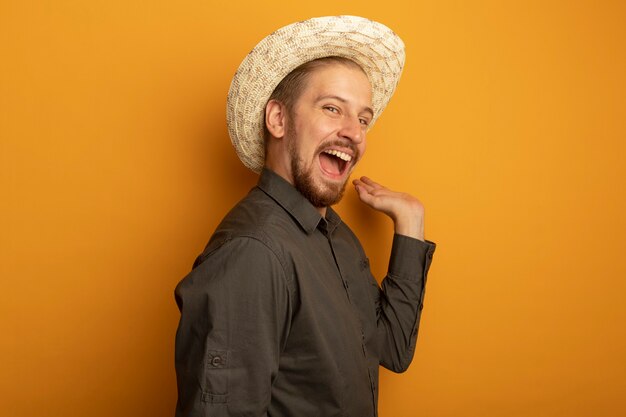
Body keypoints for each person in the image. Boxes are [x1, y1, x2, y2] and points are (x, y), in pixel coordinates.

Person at [174, 15, 436, 417]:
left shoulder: (332, 233)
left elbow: (393, 349)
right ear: (278, 119)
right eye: (332, 108)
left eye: (363, 119)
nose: (355, 132)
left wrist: (411, 224)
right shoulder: (253, 253)